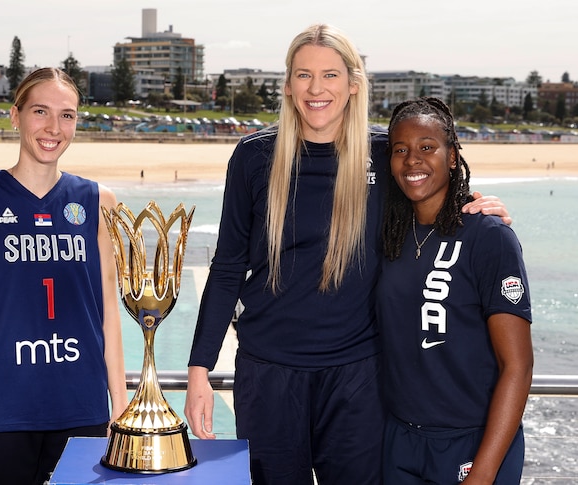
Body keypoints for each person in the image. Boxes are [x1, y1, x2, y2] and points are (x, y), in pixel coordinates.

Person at [183, 24, 511, 485]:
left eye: (330, 75)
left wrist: (478, 208)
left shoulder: (384, 154)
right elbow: (228, 267)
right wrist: (200, 368)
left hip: (360, 379)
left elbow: (434, 198)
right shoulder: (255, 157)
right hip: (268, 376)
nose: (316, 89)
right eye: (304, 75)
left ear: (353, 84)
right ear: (288, 83)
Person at [0, 68, 127, 484]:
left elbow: (108, 313)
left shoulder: (99, 201)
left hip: (81, 408)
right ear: (15, 116)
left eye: (67, 115)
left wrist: (119, 405)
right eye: (40, 111)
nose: (53, 127)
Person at [378, 97, 532, 484]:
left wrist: (482, 472)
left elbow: (518, 365)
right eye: (401, 150)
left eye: (427, 147)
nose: (413, 160)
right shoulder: (388, 237)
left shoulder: (489, 237)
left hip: (473, 444)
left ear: (451, 157)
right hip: (399, 442)